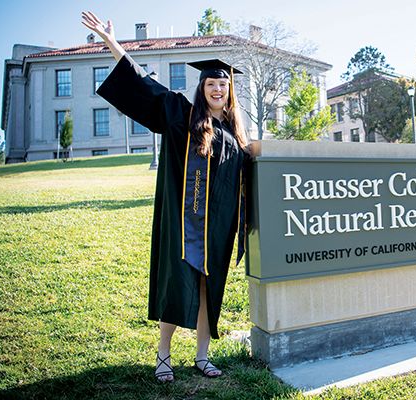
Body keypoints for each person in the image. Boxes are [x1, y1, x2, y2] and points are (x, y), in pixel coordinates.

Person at [81, 11, 249, 383]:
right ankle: (164, 355)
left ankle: (203, 356)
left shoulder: (236, 133)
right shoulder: (182, 114)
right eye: (211, 84)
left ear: (229, 90)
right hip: (185, 221)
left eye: (223, 85)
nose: (217, 90)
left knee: (210, 289)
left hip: (218, 227)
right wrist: (112, 43)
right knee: (179, 286)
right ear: (202, 88)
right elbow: (144, 85)